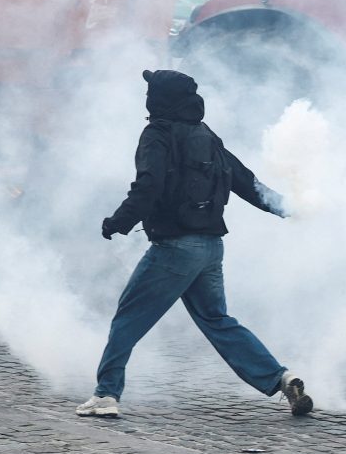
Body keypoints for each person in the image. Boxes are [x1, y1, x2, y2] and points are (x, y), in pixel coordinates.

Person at [76, 69, 313, 418]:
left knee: (128, 318)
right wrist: (288, 207)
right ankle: (281, 379)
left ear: (158, 99)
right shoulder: (207, 136)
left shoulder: (157, 134)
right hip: (210, 249)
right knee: (217, 320)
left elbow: (149, 185)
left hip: (174, 249)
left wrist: (118, 222)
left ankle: (106, 395)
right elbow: (247, 182)